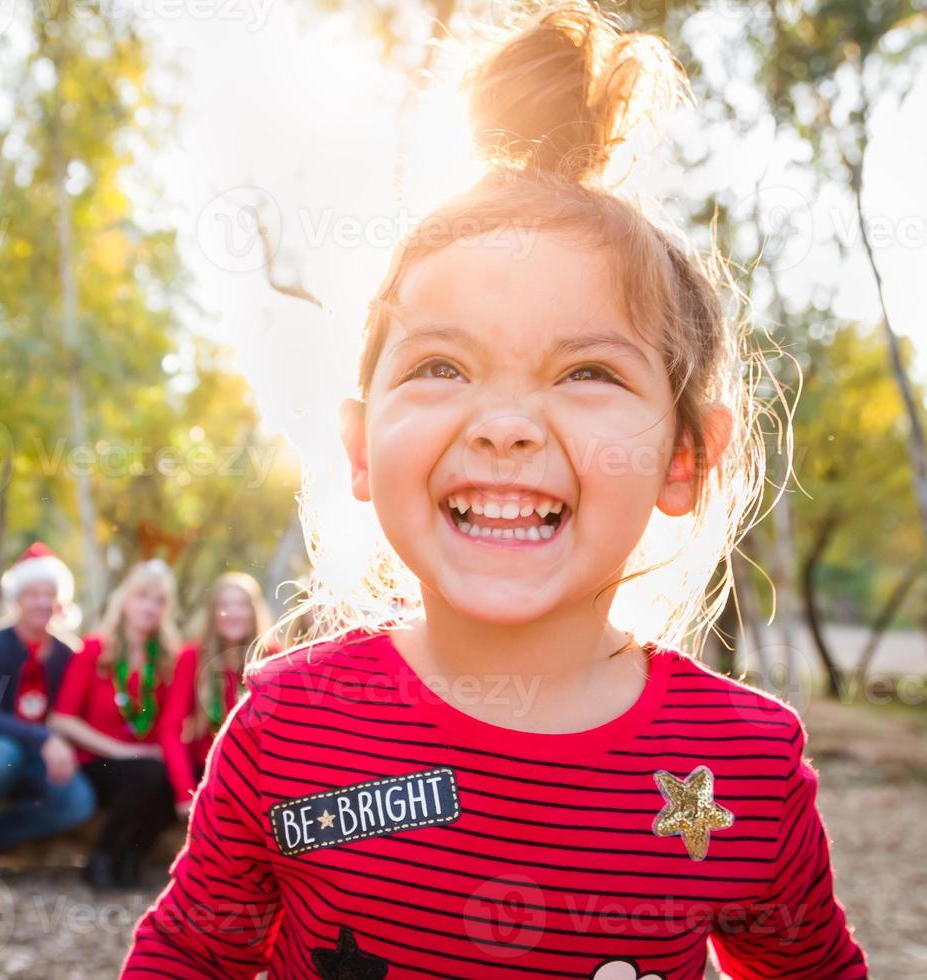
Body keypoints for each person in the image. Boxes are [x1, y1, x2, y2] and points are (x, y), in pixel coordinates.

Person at [123, 3, 868, 977]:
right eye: (442, 365)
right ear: (358, 443)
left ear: (684, 458)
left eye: (587, 372)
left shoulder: (744, 768)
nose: (504, 422)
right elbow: (190, 956)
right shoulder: (288, 729)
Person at [0, 542, 96, 887]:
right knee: (1, 755)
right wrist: (43, 737)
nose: (42, 602)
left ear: (60, 601)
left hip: (35, 755)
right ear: (17, 599)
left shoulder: (67, 653)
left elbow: (71, 712)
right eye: (33, 594)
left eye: (49, 594)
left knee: (77, 802)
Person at [53, 558, 181, 891]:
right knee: (148, 773)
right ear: (126, 599)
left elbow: (170, 723)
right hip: (96, 761)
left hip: (144, 763)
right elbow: (62, 718)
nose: (150, 607)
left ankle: (130, 857)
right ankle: (102, 856)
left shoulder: (166, 661)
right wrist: (123, 751)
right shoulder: (95, 649)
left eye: (159, 601)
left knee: (171, 782)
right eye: (143, 596)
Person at [158, 572, 273, 818]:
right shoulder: (192, 658)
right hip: (208, 773)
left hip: (258, 775)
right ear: (212, 613)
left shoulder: (273, 658)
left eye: (242, 605)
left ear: (255, 611)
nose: (233, 613)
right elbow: (171, 729)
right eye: (224, 605)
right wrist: (185, 792)